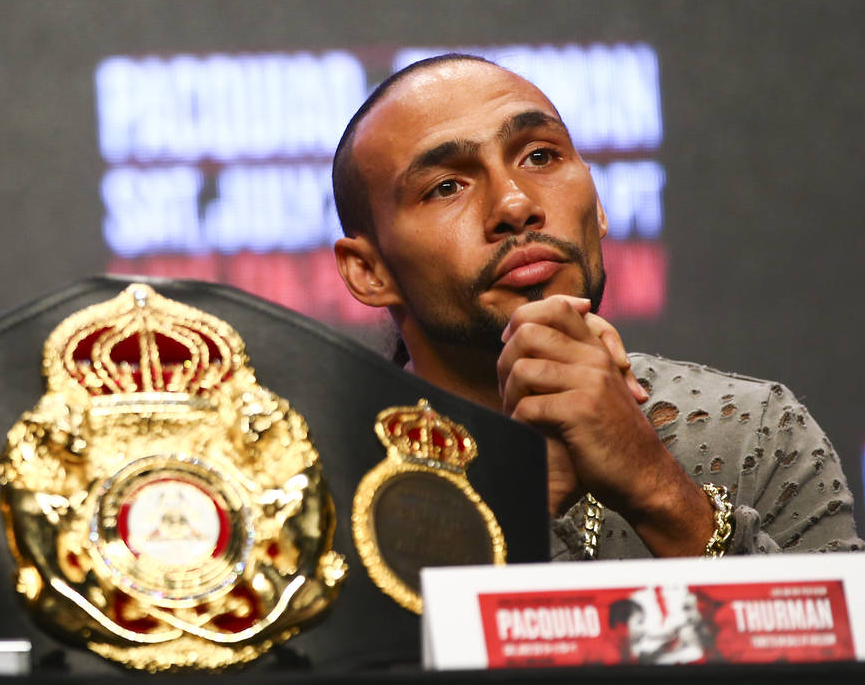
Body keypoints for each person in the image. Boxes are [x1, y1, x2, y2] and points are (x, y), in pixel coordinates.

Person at [331, 53, 863, 560]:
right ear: (369, 271)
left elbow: (838, 645)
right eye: (447, 186)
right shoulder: (316, 486)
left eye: (540, 156)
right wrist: (527, 505)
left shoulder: (755, 430)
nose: (515, 204)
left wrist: (657, 490)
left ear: (599, 206)